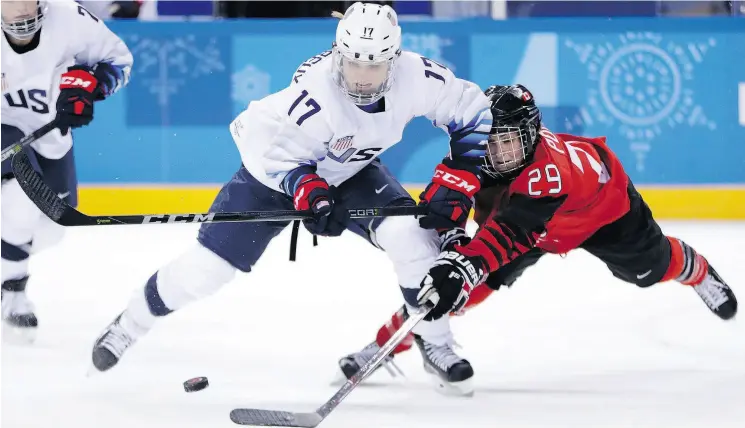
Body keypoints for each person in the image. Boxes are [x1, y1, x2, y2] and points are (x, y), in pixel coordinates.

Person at [90, 2, 491, 397]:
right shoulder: (317, 92)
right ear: (339, 53)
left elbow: (474, 113)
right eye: (353, 63)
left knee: (411, 235)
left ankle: (435, 340)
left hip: (350, 168)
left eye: (374, 65)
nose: (363, 77)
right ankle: (129, 324)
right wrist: (310, 192)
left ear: (395, 57)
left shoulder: (418, 76)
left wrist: (457, 181)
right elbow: (283, 160)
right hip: (274, 172)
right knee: (205, 271)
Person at [342, 84, 738, 391]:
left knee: (650, 269)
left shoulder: (550, 171)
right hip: (526, 225)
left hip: (599, 213)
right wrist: (451, 244)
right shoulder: (472, 149)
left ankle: (695, 267)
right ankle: (391, 342)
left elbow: (511, 232)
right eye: (491, 139)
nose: (496, 152)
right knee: (454, 292)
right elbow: (444, 206)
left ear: (530, 136)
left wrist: (463, 263)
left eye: (508, 141)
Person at [1, 0, 132, 342]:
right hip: (6, 131)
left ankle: (7, 267)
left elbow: (119, 62)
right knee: (21, 194)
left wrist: (89, 87)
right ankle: (12, 289)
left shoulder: (69, 18)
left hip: (50, 136)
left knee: (53, 228)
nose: (21, 10)